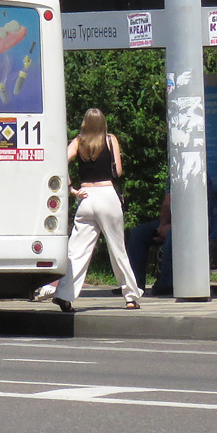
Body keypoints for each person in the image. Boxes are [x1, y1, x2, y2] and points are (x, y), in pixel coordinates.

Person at [35, 108, 142, 312]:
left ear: (85, 123)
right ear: (103, 123)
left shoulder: (78, 142)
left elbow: (60, 162)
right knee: (117, 249)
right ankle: (130, 296)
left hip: (85, 198)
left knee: (77, 250)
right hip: (107, 195)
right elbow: (117, 171)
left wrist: (71, 188)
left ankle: (64, 295)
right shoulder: (111, 140)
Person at [125, 191, 173, 296]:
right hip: (171, 223)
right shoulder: (173, 177)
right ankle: (135, 284)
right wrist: (161, 227)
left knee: (172, 235)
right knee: (138, 234)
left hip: (193, 224)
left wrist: (172, 227)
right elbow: (167, 201)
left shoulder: (199, 178)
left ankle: (165, 283)